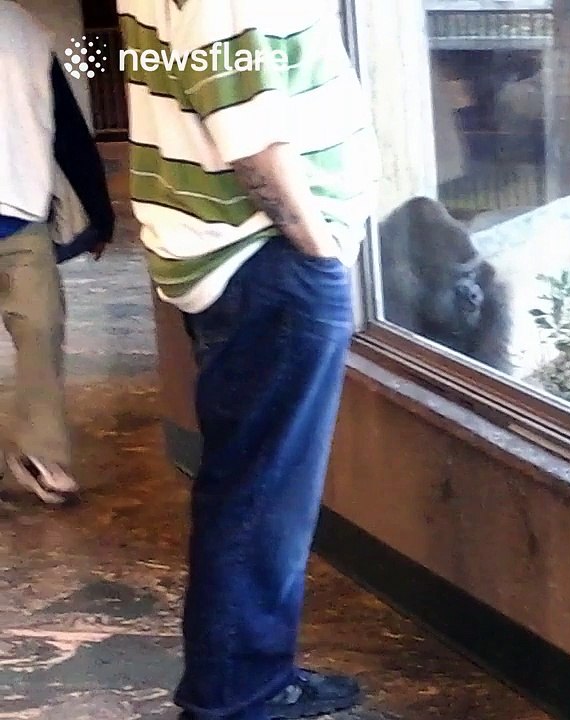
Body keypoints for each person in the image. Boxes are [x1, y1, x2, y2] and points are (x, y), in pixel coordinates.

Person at [116, 2, 379, 718]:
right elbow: (249, 136)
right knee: (262, 497)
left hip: (229, 254)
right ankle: (236, 697)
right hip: (268, 258)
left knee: (252, 488)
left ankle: (251, 679)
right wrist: (320, 255)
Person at [0, 1, 114, 506]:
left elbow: (66, 127)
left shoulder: (23, 28)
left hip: (21, 215)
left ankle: (37, 452)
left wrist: (100, 211)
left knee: (42, 329)